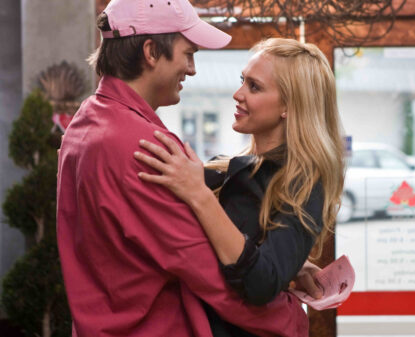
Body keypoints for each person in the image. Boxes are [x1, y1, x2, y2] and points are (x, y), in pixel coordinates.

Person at [56, 1, 309, 336]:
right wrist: (292, 317)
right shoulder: (140, 145)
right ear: (150, 51)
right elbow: (206, 271)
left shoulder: (88, 120)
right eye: (188, 53)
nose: (191, 69)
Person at [133, 38, 346, 331]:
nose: (237, 94)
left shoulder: (304, 184)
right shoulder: (222, 169)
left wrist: (200, 196)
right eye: (242, 81)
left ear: (289, 105)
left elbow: (261, 283)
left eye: (254, 87)